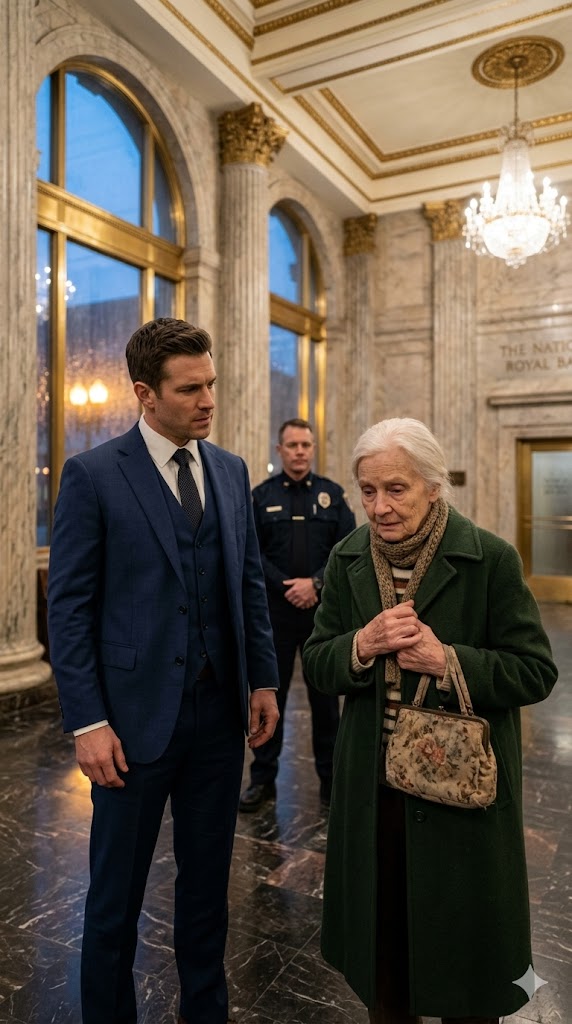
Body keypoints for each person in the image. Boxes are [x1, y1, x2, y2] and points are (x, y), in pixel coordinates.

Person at [47, 318, 280, 1024]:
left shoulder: (231, 470)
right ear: (145, 394)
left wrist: (263, 679)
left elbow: (248, 585)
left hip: (218, 720)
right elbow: (69, 610)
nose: (208, 400)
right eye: (190, 389)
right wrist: (88, 722)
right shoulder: (94, 475)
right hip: (130, 725)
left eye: (211, 384)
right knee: (115, 900)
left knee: (208, 892)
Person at [303, 417, 558, 1024]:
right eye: (368, 491)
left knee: (466, 966)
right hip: (375, 794)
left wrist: (448, 661)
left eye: (397, 489)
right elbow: (317, 661)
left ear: (433, 486)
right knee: (386, 963)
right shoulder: (347, 557)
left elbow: (535, 671)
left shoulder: (489, 558)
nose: (380, 507)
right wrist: (362, 644)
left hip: (460, 796)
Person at [239, 418, 355, 813]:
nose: (300, 451)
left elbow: (347, 550)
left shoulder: (332, 495)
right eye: (292, 445)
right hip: (275, 615)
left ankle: (331, 781)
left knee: (326, 703)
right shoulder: (261, 497)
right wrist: (288, 586)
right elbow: (250, 553)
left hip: (323, 617)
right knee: (269, 696)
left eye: (306, 444)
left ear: (313, 448)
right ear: (280, 450)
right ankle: (262, 780)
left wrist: (315, 585)